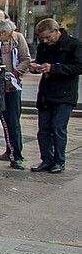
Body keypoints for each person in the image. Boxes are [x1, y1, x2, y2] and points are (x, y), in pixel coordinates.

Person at [29, 18, 82, 173]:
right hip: (46, 93)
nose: (46, 41)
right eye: (42, 38)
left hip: (64, 93)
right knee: (43, 129)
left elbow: (79, 67)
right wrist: (35, 67)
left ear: (56, 31)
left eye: (48, 37)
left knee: (58, 128)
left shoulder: (73, 45)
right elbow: (40, 63)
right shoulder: (43, 47)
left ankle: (59, 161)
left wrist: (55, 68)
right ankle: (46, 159)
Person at [0, 17, 31, 169]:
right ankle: (11, 152)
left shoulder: (18, 38)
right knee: (1, 121)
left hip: (12, 85)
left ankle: (16, 155)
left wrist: (15, 73)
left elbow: (25, 59)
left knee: (12, 121)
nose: (11, 36)